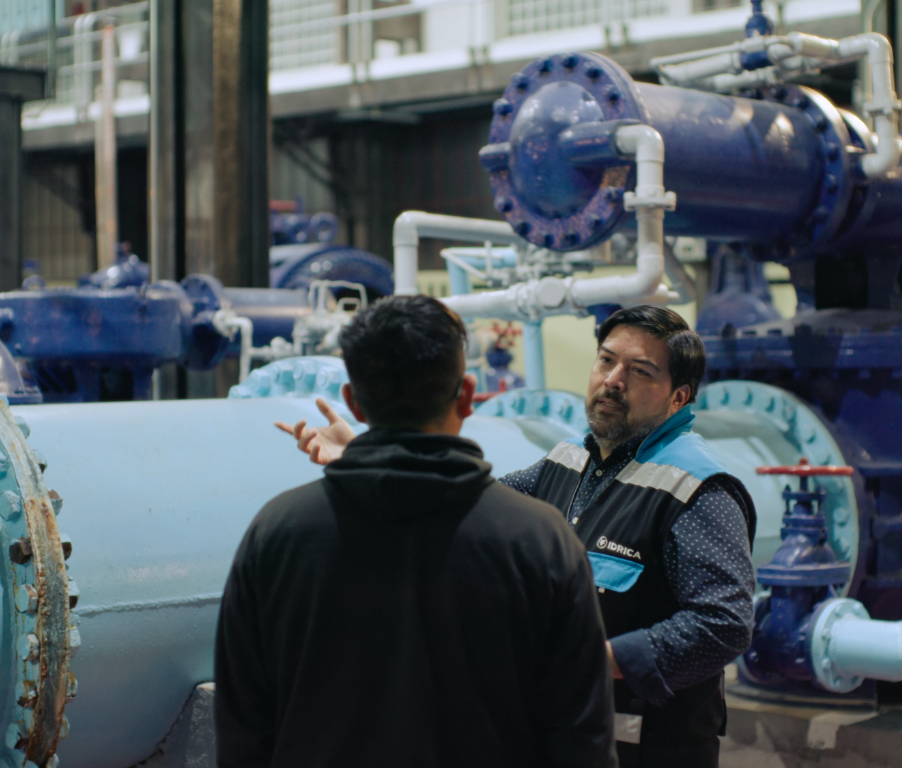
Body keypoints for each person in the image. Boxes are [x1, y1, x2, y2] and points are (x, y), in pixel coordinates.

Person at [288, 305, 756, 768]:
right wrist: (366, 456)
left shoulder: (697, 488)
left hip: (648, 748)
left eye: (640, 371)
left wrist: (599, 660)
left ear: (678, 398)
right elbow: (474, 510)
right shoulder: (569, 460)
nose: (614, 379)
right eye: (606, 360)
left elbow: (725, 622)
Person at [216, 295, 618, 768]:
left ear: (353, 403)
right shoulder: (539, 540)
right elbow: (581, 739)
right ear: (467, 395)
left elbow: (243, 729)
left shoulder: (277, 534)